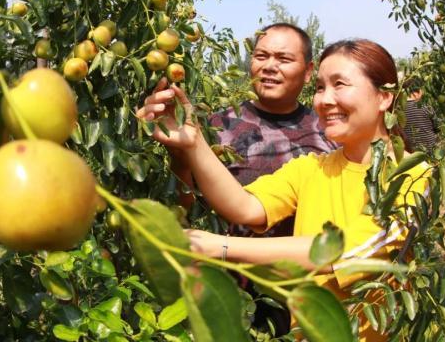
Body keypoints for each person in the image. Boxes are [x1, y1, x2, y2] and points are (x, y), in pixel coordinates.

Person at [137, 39, 430, 341]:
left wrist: (221, 248)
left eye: (340, 84)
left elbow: (341, 252)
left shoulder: (413, 177)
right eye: (319, 88)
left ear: (384, 97)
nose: (325, 100)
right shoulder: (313, 167)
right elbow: (246, 207)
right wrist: (193, 141)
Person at [169, 23, 336, 334]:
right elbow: (183, 209)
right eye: (261, 55)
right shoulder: (215, 127)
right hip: (228, 299)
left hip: (304, 304)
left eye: (284, 59)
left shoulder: (329, 133)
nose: (269, 66)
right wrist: (180, 161)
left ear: (309, 71)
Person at [402, 78, 439, 152]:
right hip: (429, 151)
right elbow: (437, 127)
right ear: (416, 93)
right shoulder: (426, 107)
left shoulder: (399, 110)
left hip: (409, 152)